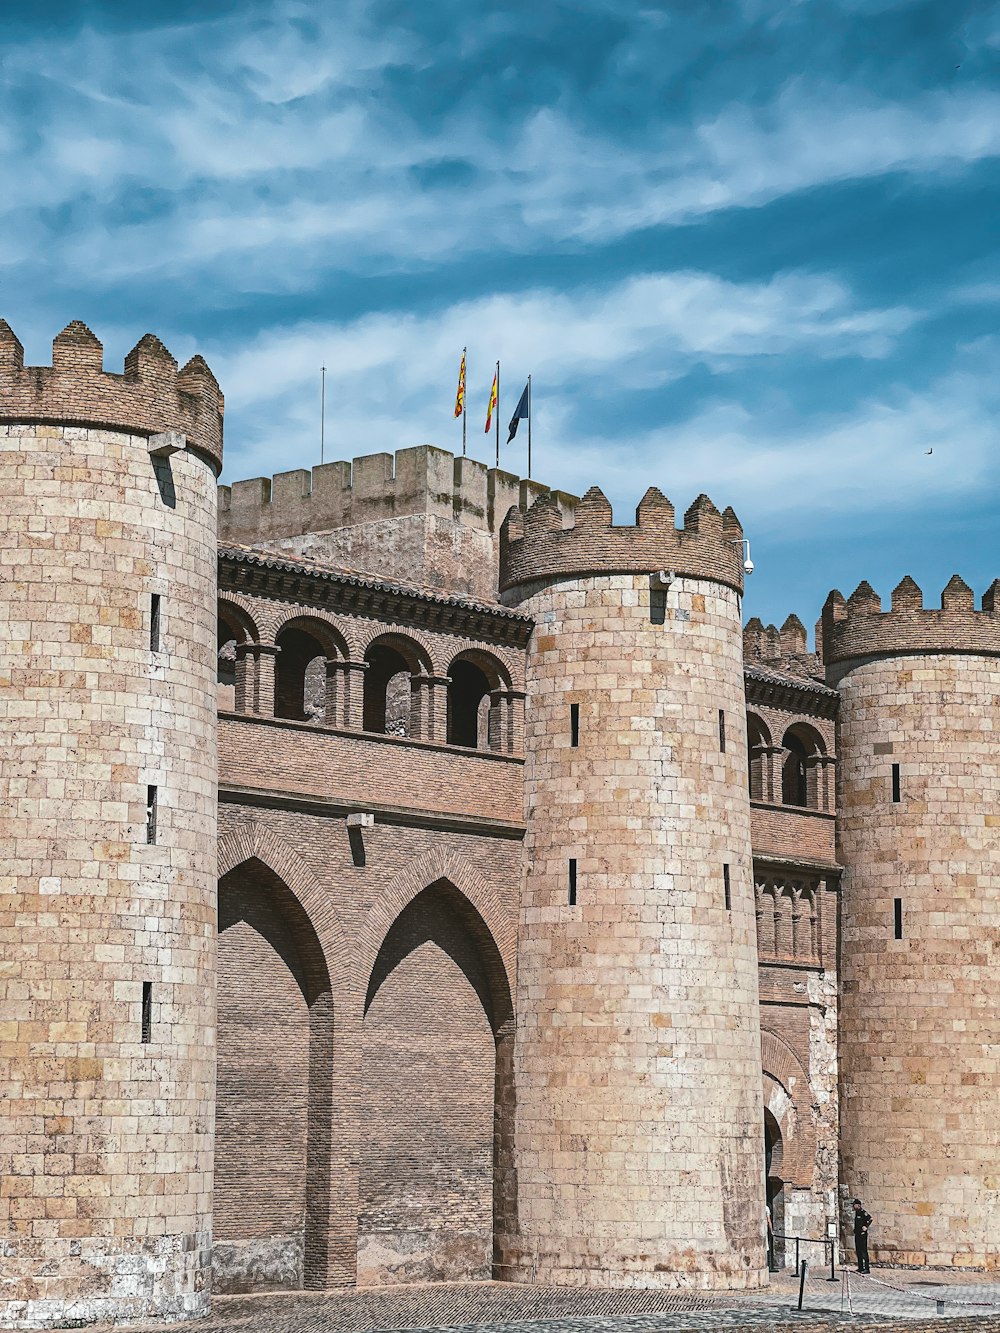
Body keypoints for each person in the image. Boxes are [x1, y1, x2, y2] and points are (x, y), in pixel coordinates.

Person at [853, 1198, 872, 1273]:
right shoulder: (857, 1213)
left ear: (858, 1205)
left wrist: (866, 1226)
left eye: (854, 1205)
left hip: (862, 1235)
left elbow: (870, 1219)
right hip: (857, 1234)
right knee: (858, 1251)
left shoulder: (863, 1212)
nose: (853, 1207)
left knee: (863, 1251)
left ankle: (866, 1268)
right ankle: (860, 1267)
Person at [766, 1200, 777, 1272]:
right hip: (764, 1230)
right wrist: (771, 1230)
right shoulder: (766, 1208)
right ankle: (769, 1265)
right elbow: (768, 1220)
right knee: (767, 1248)